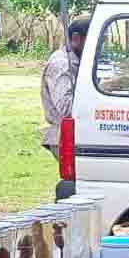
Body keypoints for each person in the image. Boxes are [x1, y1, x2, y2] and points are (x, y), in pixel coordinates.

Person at [41, 18, 90, 159]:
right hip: (65, 135)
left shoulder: (76, 61)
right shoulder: (61, 64)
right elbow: (66, 108)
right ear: (76, 39)